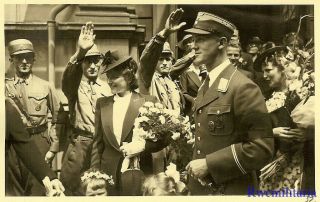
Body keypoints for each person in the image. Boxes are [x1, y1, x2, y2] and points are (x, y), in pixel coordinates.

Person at [184, 11, 274, 195]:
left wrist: (210, 164)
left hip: (230, 190)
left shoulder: (243, 87)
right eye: (193, 40)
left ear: (222, 43)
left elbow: (262, 148)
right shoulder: (205, 85)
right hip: (202, 190)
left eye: (201, 39)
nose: (194, 46)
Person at [90, 51, 170, 195]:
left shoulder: (148, 102)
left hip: (138, 174)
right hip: (108, 177)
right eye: (108, 77)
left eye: (114, 77)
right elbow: (97, 143)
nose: (109, 81)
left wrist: (142, 146)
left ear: (128, 77)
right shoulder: (102, 104)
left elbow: (164, 139)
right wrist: (95, 174)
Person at [60, 22, 111, 196]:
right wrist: (80, 51)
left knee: (100, 190)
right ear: (82, 64)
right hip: (80, 145)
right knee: (72, 188)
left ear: (101, 63)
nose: (92, 66)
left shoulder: (107, 87)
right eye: (88, 61)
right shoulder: (74, 85)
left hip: (102, 147)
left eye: (96, 61)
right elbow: (68, 77)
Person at [5, 38, 60, 196]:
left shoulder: (45, 86)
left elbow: (58, 118)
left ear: (33, 59)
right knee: (13, 187)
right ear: (11, 59)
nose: (24, 61)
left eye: (28, 57)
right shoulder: (4, 86)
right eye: (19, 57)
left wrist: (53, 148)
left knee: (38, 187)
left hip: (38, 141)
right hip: (13, 145)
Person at [254, 46, 313, 191]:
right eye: (263, 72)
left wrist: (310, 134)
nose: (264, 76)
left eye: (268, 70)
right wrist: (271, 132)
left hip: (298, 165)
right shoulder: (264, 98)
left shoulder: (303, 94)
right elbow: (251, 132)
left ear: (283, 68)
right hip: (270, 167)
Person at [5, 98, 65, 196]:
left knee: (35, 191)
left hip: (36, 140)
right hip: (10, 157)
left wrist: (50, 177)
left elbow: (24, 143)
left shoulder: (5, 108)